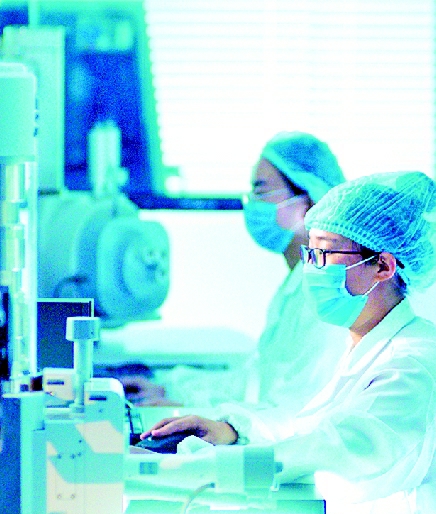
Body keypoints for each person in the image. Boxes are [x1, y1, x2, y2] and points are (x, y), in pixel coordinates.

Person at [141, 171, 436, 514]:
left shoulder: (412, 366)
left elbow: (340, 448)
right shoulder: (370, 343)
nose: (311, 270)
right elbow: (312, 423)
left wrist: (191, 472)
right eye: (310, 253)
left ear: (383, 266)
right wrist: (231, 431)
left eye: (325, 255)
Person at [123, 132, 351, 417]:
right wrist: (172, 390)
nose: (251, 203)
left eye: (261, 191)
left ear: (308, 203)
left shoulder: (327, 298)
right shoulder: (298, 283)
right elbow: (254, 380)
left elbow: (294, 408)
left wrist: (194, 413)